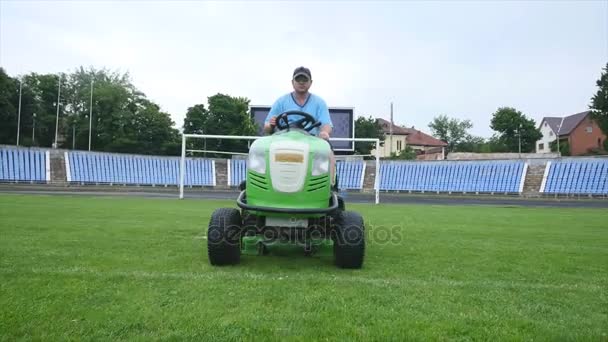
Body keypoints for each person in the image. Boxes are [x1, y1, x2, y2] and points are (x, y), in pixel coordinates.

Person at [263, 66, 333, 140]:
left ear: (311, 82)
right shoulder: (280, 102)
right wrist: (271, 125)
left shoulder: (320, 103)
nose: (301, 82)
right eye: (298, 79)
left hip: (311, 141)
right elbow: (267, 128)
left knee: (328, 150)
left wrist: (324, 132)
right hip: (283, 141)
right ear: (292, 82)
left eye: (305, 80)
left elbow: (326, 124)